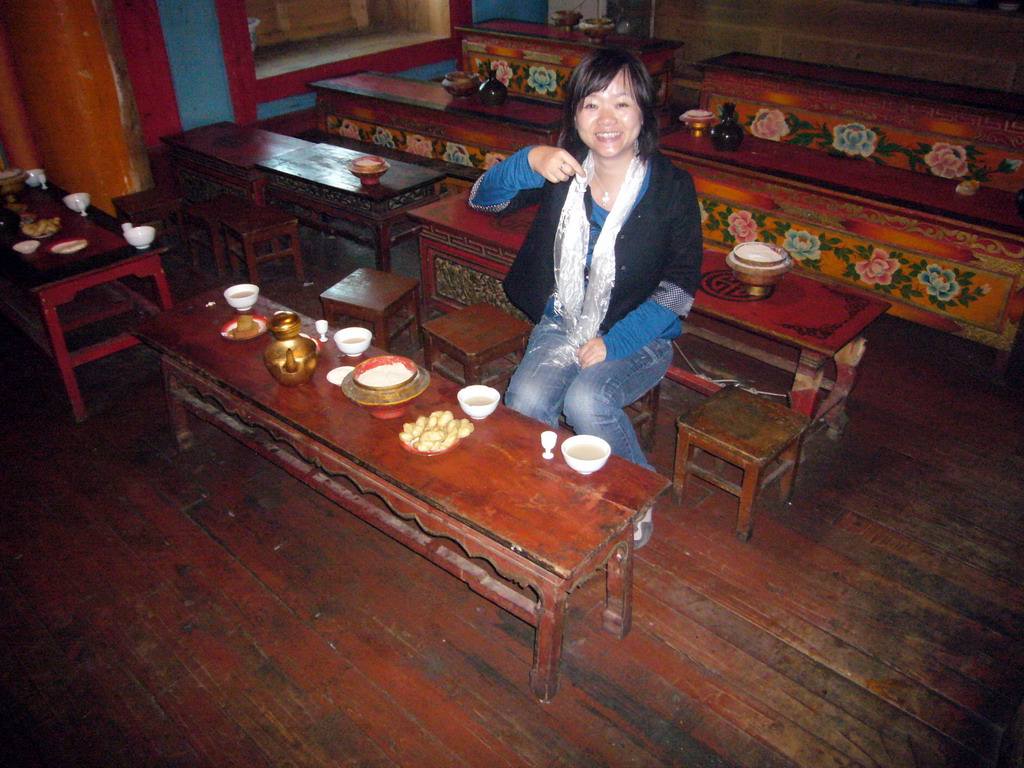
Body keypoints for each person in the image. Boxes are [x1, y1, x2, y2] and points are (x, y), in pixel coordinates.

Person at [468, 47, 704, 547]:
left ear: (644, 112)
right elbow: (483, 198)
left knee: (587, 399)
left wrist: (615, 343)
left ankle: (634, 497)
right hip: (564, 322)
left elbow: (681, 285)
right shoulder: (562, 171)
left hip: (640, 333)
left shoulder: (673, 188)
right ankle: (551, 485)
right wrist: (527, 160)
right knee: (526, 397)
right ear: (575, 116)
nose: (607, 119)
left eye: (622, 103)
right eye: (591, 104)